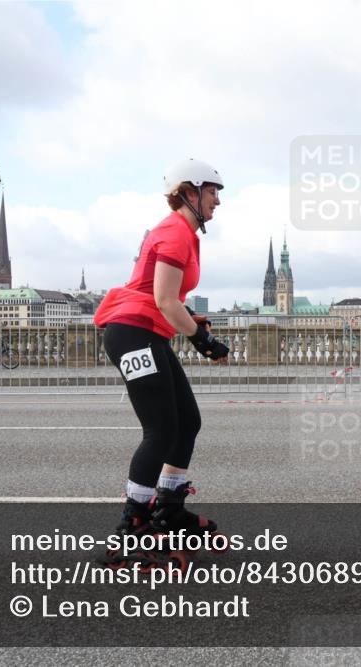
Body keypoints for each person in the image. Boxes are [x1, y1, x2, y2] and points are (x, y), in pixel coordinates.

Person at [93, 158, 230, 568]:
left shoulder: (182, 232)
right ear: (190, 192)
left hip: (146, 332)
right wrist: (203, 340)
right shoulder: (175, 233)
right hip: (132, 333)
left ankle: (168, 506)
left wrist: (191, 322)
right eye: (213, 192)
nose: (218, 202)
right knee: (160, 429)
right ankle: (130, 526)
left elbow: (165, 300)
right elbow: (165, 300)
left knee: (187, 422)